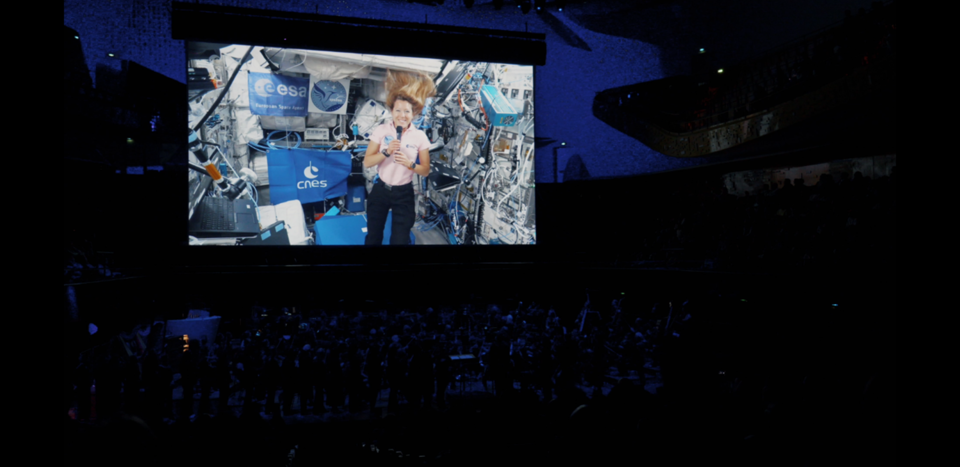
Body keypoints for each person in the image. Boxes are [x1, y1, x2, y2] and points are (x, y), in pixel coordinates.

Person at [363, 70, 436, 245]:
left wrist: (410, 164)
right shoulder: (381, 130)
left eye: (407, 111)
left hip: (404, 193)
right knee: (373, 236)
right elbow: (367, 162)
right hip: (381, 190)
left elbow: (425, 171)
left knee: (400, 240)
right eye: (398, 110)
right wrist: (385, 152)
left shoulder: (420, 137)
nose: (402, 115)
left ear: (413, 113)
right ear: (391, 110)